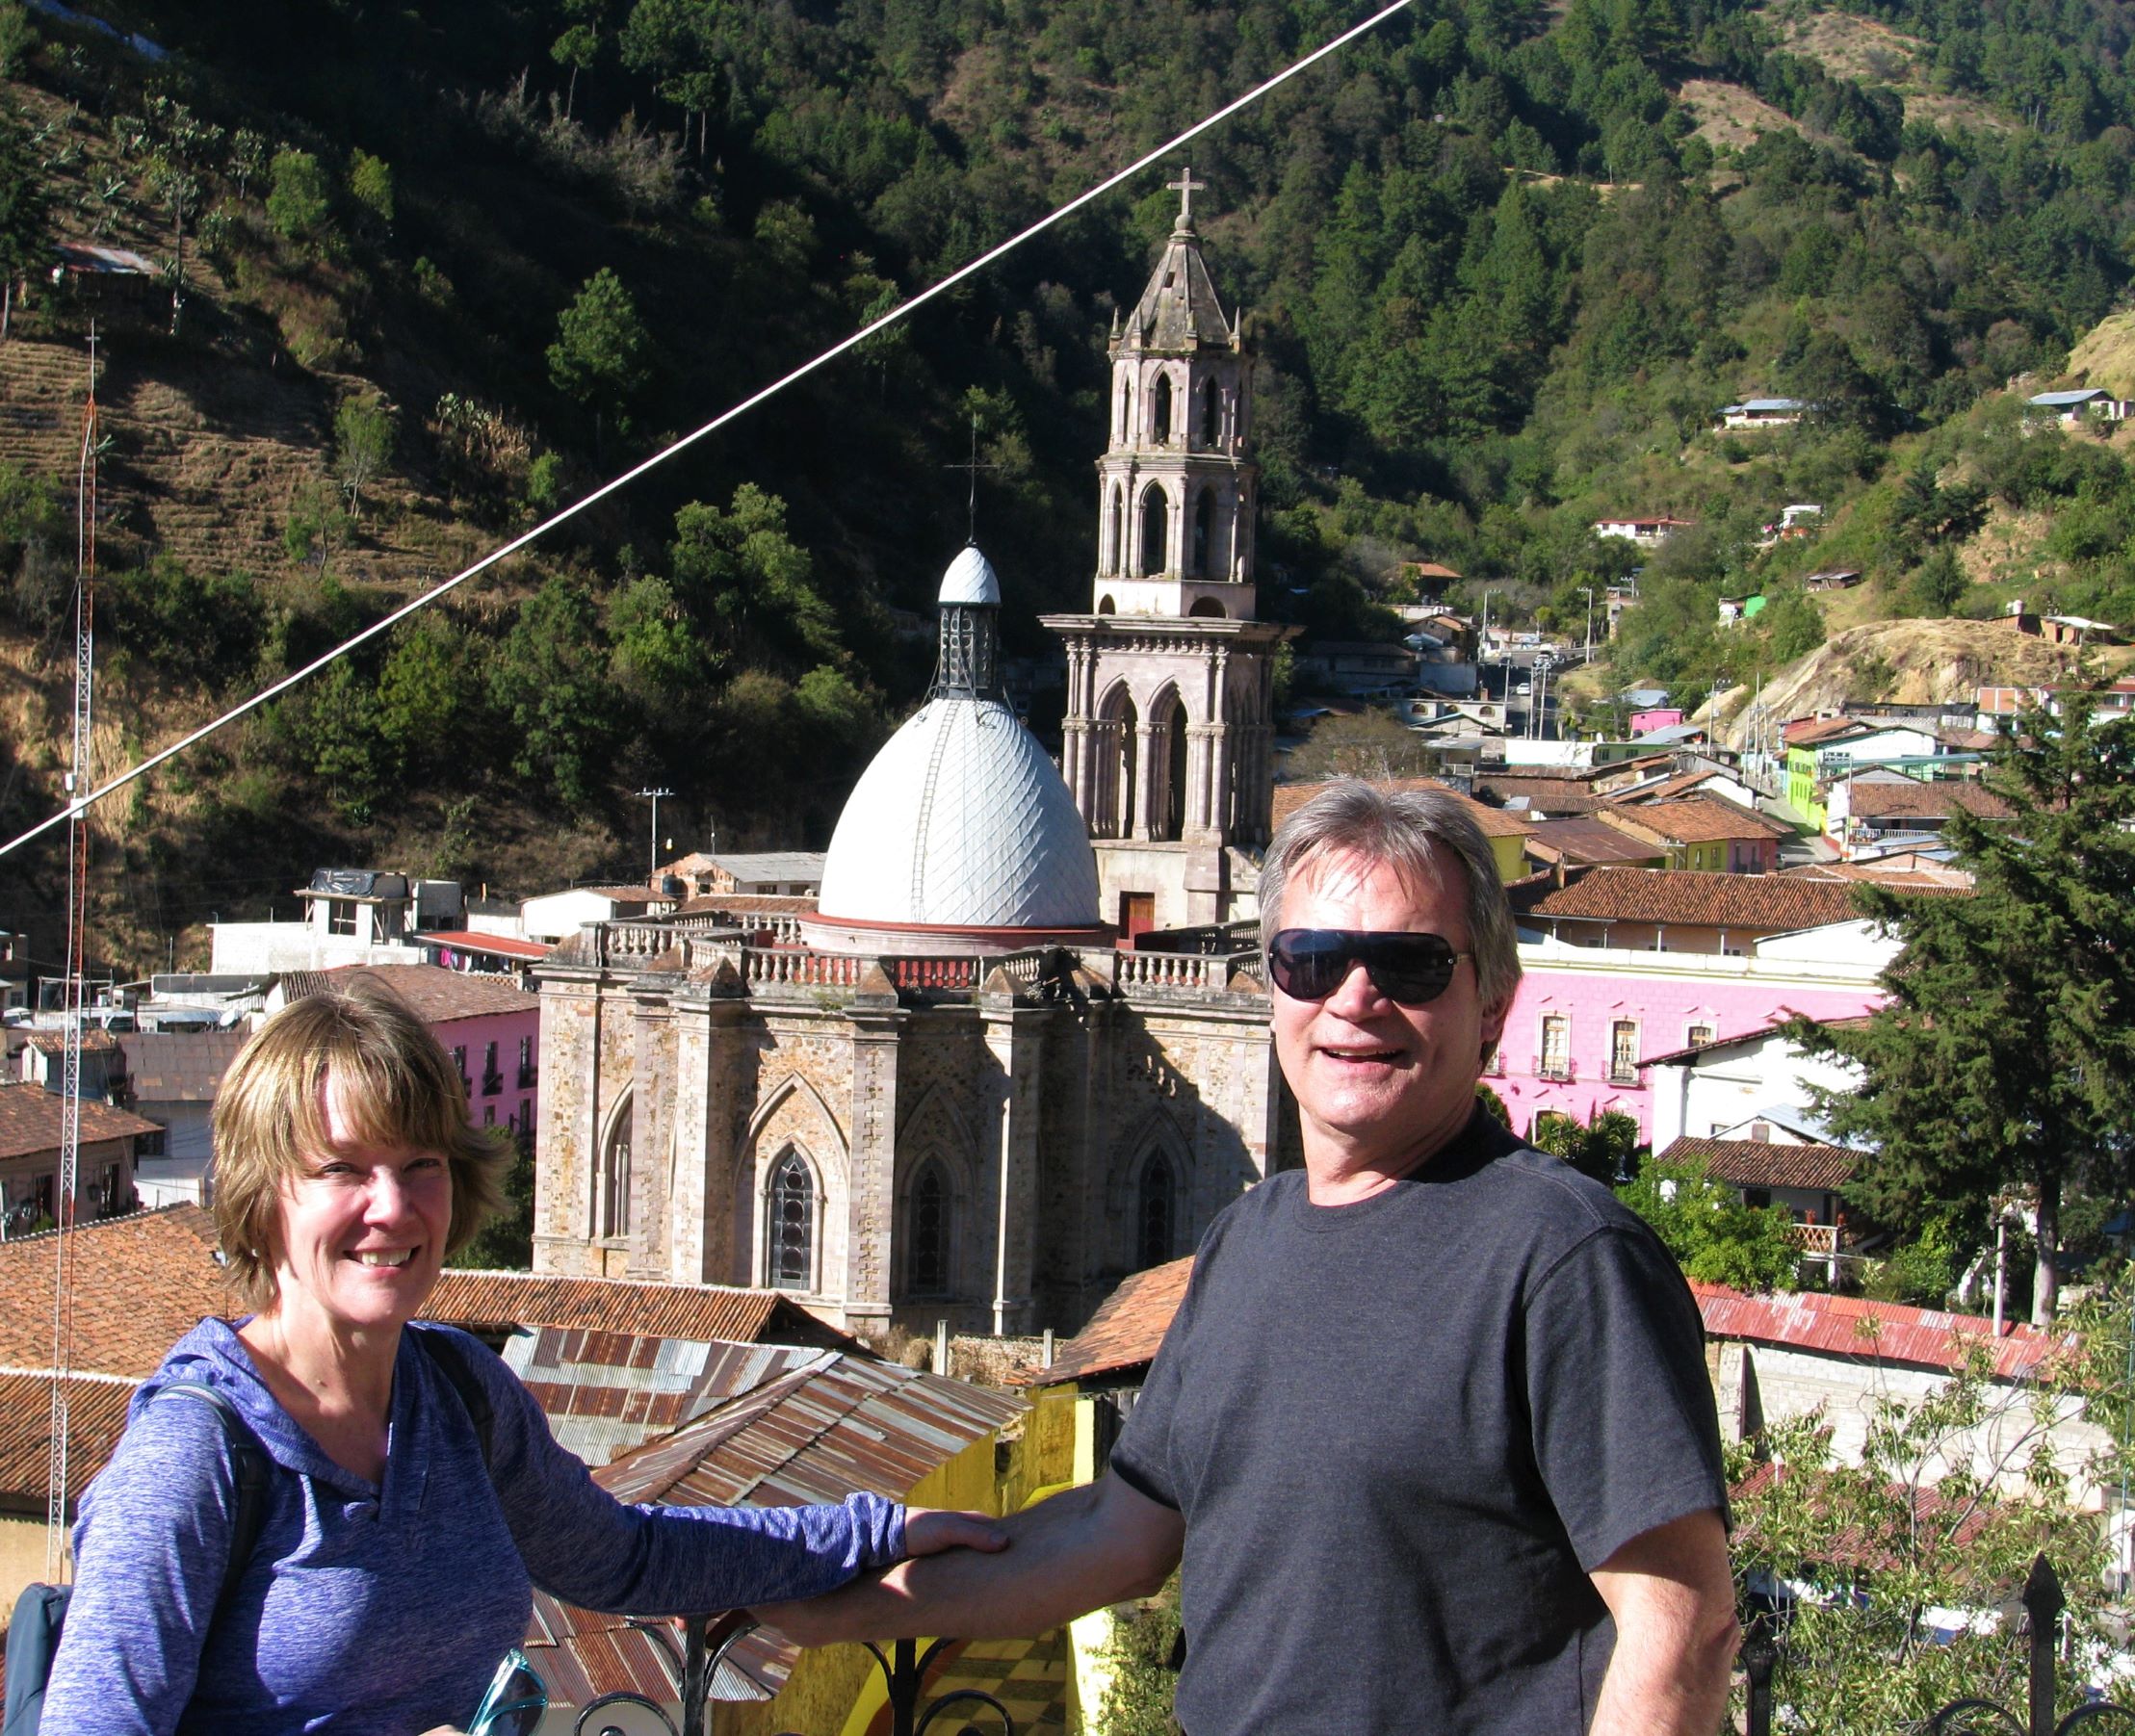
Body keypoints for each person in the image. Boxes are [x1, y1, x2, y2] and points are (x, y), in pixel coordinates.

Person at [761, 783, 1737, 1734]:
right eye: (1312, 960)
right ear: (1272, 988)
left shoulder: (1564, 1257)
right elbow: (1119, 1534)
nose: (1356, 1000)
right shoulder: (1247, 1239)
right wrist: (853, 1599)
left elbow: (1683, 1632)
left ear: (1492, 1004)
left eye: (1413, 966)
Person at [42, 982, 1002, 1736]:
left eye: (421, 1164)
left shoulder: (457, 1393)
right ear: (263, 1200)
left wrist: (870, 1536)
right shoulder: (195, 1456)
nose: (393, 1206)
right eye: (343, 1169)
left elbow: (627, 1557)